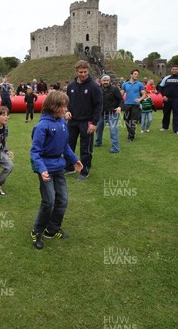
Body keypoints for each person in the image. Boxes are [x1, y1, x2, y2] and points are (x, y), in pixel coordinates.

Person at [30, 91, 83, 250]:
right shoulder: (41, 126)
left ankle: (51, 230)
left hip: (59, 168)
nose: (66, 109)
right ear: (54, 107)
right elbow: (35, 152)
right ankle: (37, 231)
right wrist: (42, 169)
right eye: (63, 106)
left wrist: (75, 160)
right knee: (49, 201)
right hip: (46, 170)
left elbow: (65, 146)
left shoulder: (61, 122)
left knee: (63, 200)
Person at [64, 60, 103, 181]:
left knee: (85, 147)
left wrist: (94, 123)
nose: (83, 74)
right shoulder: (71, 86)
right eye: (80, 72)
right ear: (76, 71)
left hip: (87, 122)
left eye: (85, 72)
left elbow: (98, 106)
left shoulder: (94, 87)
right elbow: (67, 102)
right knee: (69, 145)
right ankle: (69, 166)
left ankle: (84, 170)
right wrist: (67, 111)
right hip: (73, 121)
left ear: (88, 71)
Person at [95, 75, 123, 153]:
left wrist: (120, 107)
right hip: (101, 113)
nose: (106, 82)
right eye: (104, 80)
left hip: (112, 113)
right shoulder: (98, 89)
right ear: (101, 81)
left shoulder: (114, 89)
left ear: (109, 81)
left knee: (113, 131)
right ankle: (98, 142)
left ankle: (115, 148)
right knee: (98, 129)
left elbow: (121, 99)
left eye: (107, 80)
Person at [158, 66, 178, 135]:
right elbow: (160, 87)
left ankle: (177, 129)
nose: (174, 70)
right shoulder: (166, 78)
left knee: (176, 114)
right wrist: (163, 96)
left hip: (177, 99)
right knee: (166, 113)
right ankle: (165, 127)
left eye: (176, 69)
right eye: (173, 69)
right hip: (167, 99)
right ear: (171, 70)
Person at [120, 69, 146, 142]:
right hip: (127, 105)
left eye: (137, 74)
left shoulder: (139, 84)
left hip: (135, 105)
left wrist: (140, 99)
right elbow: (121, 94)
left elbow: (144, 94)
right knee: (127, 120)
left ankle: (130, 137)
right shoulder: (125, 84)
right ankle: (132, 133)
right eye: (135, 74)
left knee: (133, 121)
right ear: (131, 75)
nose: (136, 75)